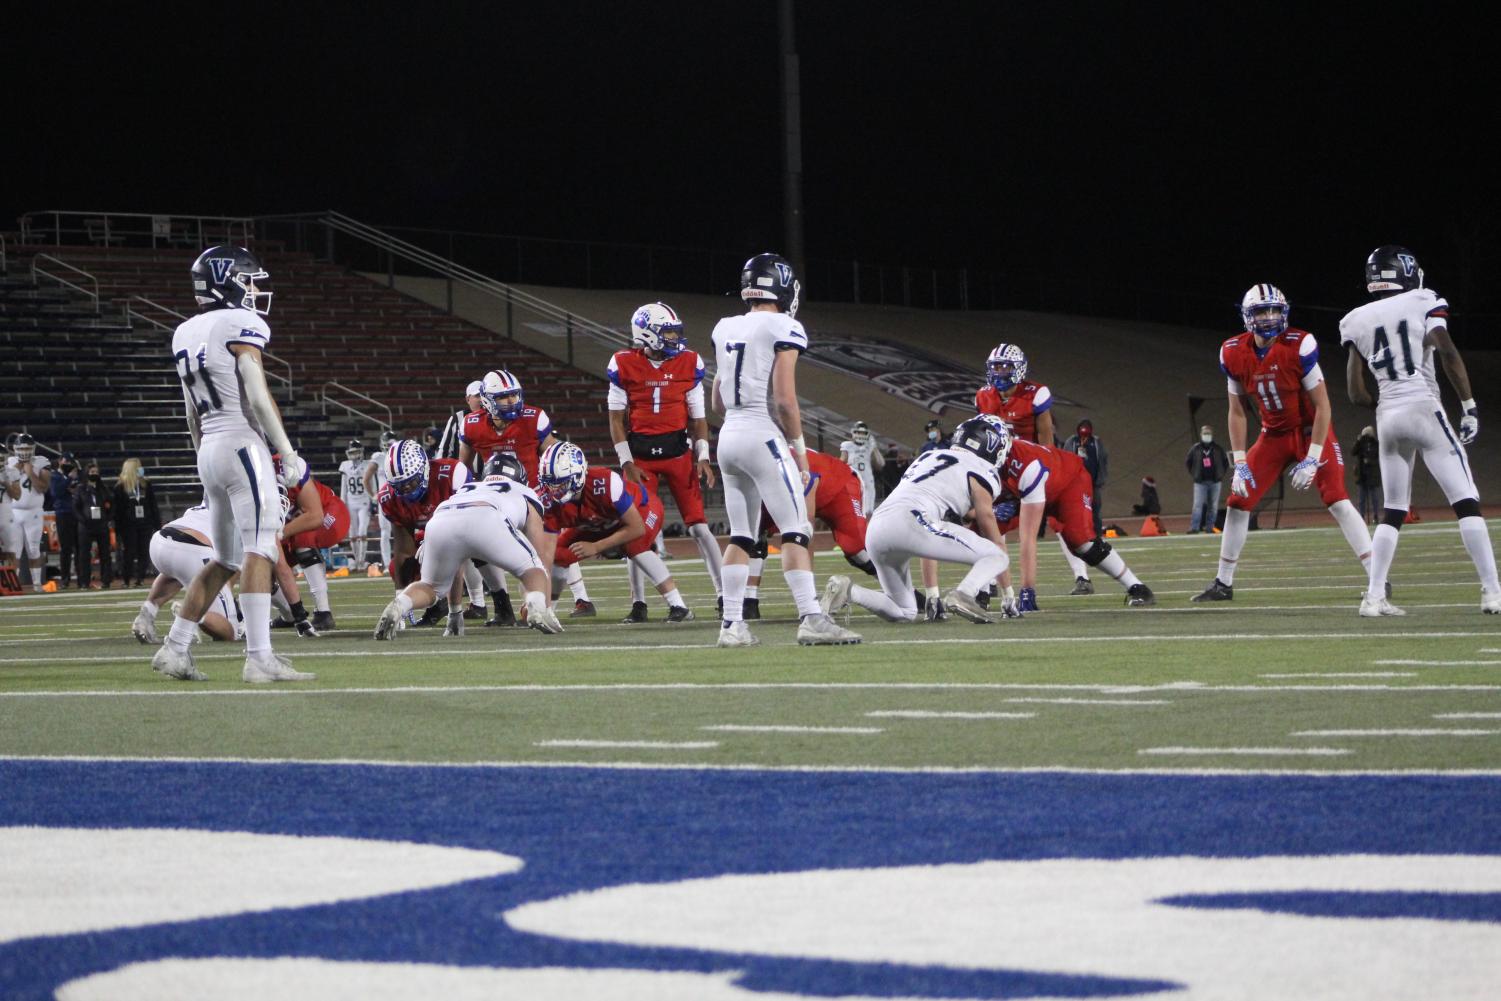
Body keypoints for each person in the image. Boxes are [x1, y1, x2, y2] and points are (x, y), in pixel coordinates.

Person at [153, 245, 314, 684]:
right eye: (247, 280)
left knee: (224, 558)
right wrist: (286, 450)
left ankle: (174, 648)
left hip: (209, 446)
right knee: (259, 547)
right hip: (242, 443)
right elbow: (259, 397)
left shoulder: (185, 331)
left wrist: (203, 456)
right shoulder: (240, 323)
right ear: (227, 280)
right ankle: (259, 657)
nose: (254, 289)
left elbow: (191, 411)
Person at [710, 252, 860, 647]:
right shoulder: (784, 325)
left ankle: (731, 627)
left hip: (727, 437)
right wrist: (798, 448)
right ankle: (811, 616)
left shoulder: (725, 326)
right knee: (797, 529)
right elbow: (784, 400)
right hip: (761, 431)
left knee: (742, 535)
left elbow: (717, 401)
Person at [1339, 245, 1499, 616]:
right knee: (1466, 501)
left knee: (1392, 510)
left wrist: (1386, 402)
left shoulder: (1355, 319)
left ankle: (1374, 597)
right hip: (1423, 407)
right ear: (1405, 271)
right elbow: (1447, 351)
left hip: (1388, 416)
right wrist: (1469, 406)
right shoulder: (1422, 299)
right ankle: (1492, 592)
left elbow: (1355, 392)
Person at [1192, 283, 1373, 604]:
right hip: (1273, 434)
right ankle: (1223, 582)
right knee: (1237, 502)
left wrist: (1313, 457)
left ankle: (1377, 576)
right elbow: (1236, 411)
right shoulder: (1233, 352)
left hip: (1308, 432)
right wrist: (1240, 462)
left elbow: (1323, 407)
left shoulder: (1298, 345)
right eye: (1263, 311)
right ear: (1248, 316)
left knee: (1336, 497)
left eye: (1275, 310)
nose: (1270, 316)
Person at [822, 414, 1018, 624]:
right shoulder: (982, 468)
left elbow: (947, 498)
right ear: (991, 446)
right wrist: (1005, 581)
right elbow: (985, 516)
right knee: (997, 556)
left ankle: (850, 591)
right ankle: (965, 593)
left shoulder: (928, 456)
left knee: (904, 610)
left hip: (878, 526)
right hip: (912, 520)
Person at [607, 301, 724, 615]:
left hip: (678, 454)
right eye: (667, 333)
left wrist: (703, 456)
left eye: (674, 332)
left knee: (699, 526)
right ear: (646, 334)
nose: (674, 338)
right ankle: (638, 602)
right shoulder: (623, 363)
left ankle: (725, 594)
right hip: (641, 458)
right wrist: (626, 462)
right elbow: (616, 419)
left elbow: (698, 419)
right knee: (635, 530)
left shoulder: (689, 362)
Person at [375, 453, 562, 639]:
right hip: (486, 516)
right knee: (533, 567)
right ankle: (537, 609)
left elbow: (457, 567)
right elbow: (539, 557)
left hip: (441, 520)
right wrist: (540, 601)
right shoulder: (525, 492)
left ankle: (400, 604)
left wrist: (455, 613)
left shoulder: (470, 487)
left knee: (431, 587)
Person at [459, 369, 588, 617]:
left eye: (514, 395)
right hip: (496, 500)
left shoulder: (533, 417)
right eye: (504, 397)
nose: (512, 402)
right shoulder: (472, 425)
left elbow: (556, 458)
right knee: (476, 547)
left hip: (533, 496)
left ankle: (544, 604)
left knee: (540, 556)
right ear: (487, 400)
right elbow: (462, 468)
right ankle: (501, 604)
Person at [975, 343, 1093, 594]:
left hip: (1036, 465)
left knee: (1060, 520)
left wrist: (1047, 473)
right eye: (995, 367)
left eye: (1005, 367)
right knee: (993, 518)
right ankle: (995, 580)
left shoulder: (1035, 394)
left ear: (1018, 369)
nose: (999, 373)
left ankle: (1082, 576)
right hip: (1003, 468)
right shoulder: (983, 396)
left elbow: (1046, 438)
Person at [994, 427, 1155, 608]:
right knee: (983, 529)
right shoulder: (978, 464)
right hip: (1030, 489)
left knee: (1079, 540)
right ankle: (979, 591)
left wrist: (1027, 592)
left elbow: (1028, 538)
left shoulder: (1026, 465)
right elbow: (968, 514)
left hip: (1067, 483)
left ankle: (1136, 586)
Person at [537, 441, 692, 622]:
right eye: (550, 484)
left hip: (642, 508)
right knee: (559, 555)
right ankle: (549, 611)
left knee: (632, 544)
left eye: (560, 483)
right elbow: (546, 557)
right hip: (598, 522)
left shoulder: (604, 482)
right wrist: (540, 602)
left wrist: (597, 546)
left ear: (578, 475)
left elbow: (636, 527)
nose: (553, 490)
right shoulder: (550, 503)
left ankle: (678, 605)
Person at [743, 447, 882, 619]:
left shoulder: (791, 465)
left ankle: (901, 590)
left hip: (836, 485)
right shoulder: (745, 462)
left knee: (856, 549)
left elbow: (805, 530)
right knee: (755, 535)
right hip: (787, 487)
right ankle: (749, 603)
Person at [377, 437, 472, 626]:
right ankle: (438, 605)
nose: (406, 490)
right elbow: (404, 551)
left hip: (469, 529)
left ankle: (492, 602)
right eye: (400, 486)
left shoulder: (451, 475)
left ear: (425, 470)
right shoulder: (389, 497)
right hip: (433, 533)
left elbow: (464, 530)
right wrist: (399, 603)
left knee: (462, 553)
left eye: (411, 483)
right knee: (399, 567)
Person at [132, 497, 243, 644]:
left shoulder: (197, 509)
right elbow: (227, 573)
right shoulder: (241, 517)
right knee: (230, 632)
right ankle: (189, 612)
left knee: (179, 570)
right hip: (194, 551)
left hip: (160, 544)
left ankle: (146, 615)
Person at [274, 455, 349, 632]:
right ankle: (290, 614)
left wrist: (279, 534)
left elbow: (315, 517)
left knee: (303, 539)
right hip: (292, 522)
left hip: (327, 511)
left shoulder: (285, 466)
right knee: (263, 566)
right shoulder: (242, 480)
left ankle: (324, 613)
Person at [4, 434, 53, 591]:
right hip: (13, 512)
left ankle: (37, 585)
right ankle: (14, 585)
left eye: (27, 448)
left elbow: (43, 487)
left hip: (34, 512)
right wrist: (13, 473)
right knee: (14, 550)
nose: (24, 451)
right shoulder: (9, 462)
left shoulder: (41, 462)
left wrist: (30, 472)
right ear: (15, 449)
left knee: (33, 549)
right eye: (21, 448)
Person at [112, 458, 160, 587]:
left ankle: (140, 578)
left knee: (144, 552)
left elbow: (153, 505)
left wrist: (157, 525)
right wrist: (118, 528)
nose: (141, 469)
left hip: (145, 523)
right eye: (138, 467)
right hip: (128, 525)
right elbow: (118, 510)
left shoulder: (146, 485)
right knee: (129, 552)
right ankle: (126, 579)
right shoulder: (120, 487)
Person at [1062, 419, 1108, 537]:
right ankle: (1077, 534)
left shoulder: (1096, 442)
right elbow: (1065, 459)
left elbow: (1103, 460)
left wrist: (1101, 479)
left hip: (1093, 483)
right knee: (1077, 510)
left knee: (1095, 510)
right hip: (1076, 484)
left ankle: (1096, 534)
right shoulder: (1072, 441)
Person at [72, 461, 114, 589]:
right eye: (91, 472)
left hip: (101, 525)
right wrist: (83, 520)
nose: (94, 474)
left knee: (105, 554)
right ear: (87, 473)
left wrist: (107, 518)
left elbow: (111, 505)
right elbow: (75, 507)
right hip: (86, 526)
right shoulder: (81, 489)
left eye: (96, 472)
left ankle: (106, 580)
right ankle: (84, 581)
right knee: (84, 555)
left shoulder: (103, 489)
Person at [363, 429, 397, 571]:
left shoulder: (400, 455)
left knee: (404, 530)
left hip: (400, 497)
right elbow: (366, 478)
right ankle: (388, 564)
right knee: (385, 531)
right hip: (385, 498)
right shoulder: (379, 457)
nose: (389, 446)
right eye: (387, 444)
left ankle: (406, 561)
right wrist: (373, 495)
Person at [1185, 425, 1228, 533]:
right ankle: (1194, 527)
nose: (1206, 435)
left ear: (1212, 435)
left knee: (1213, 506)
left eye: (1208, 433)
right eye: (1205, 433)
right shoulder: (1195, 449)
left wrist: (1220, 475)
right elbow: (1188, 462)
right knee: (1197, 505)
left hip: (1215, 482)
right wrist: (1194, 474)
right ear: (1201, 434)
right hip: (1200, 482)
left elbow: (1225, 462)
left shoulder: (1218, 449)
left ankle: (1210, 527)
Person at [338, 439, 373, 571]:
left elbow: (371, 483)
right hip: (351, 503)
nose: (353, 455)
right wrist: (342, 503)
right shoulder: (345, 465)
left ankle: (361, 561)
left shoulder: (368, 464)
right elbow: (343, 487)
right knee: (352, 534)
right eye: (352, 452)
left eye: (356, 452)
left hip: (364, 501)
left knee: (362, 531)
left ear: (361, 452)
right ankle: (358, 561)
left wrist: (373, 499)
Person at [48, 453, 80, 588]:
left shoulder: (70, 475)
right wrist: (68, 481)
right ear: (60, 461)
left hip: (76, 513)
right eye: (66, 461)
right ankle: (65, 579)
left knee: (80, 548)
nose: (68, 463)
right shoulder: (55, 475)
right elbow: (57, 492)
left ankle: (82, 578)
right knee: (66, 548)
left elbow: (78, 490)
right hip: (63, 514)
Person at [839, 420, 885, 515]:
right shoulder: (847, 445)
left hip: (868, 481)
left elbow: (881, 463)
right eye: (858, 432)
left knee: (868, 512)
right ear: (853, 432)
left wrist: (875, 448)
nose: (860, 435)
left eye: (863, 433)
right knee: (854, 509)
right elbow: (841, 462)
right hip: (853, 479)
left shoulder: (869, 446)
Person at [438, 380, 483, 461]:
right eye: (478, 395)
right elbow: (444, 451)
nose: (482, 400)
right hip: (462, 472)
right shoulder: (458, 418)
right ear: (468, 399)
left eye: (484, 396)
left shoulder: (495, 418)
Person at [1353, 426, 1382, 525]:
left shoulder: (1376, 444)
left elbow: (1379, 456)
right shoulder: (1360, 444)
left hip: (1373, 474)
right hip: (1362, 474)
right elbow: (1353, 452)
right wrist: (1358, 441)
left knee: (1374, 498)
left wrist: (1369, 461)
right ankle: (1361, 517)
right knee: (1361, 498)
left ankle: (1376, 516)